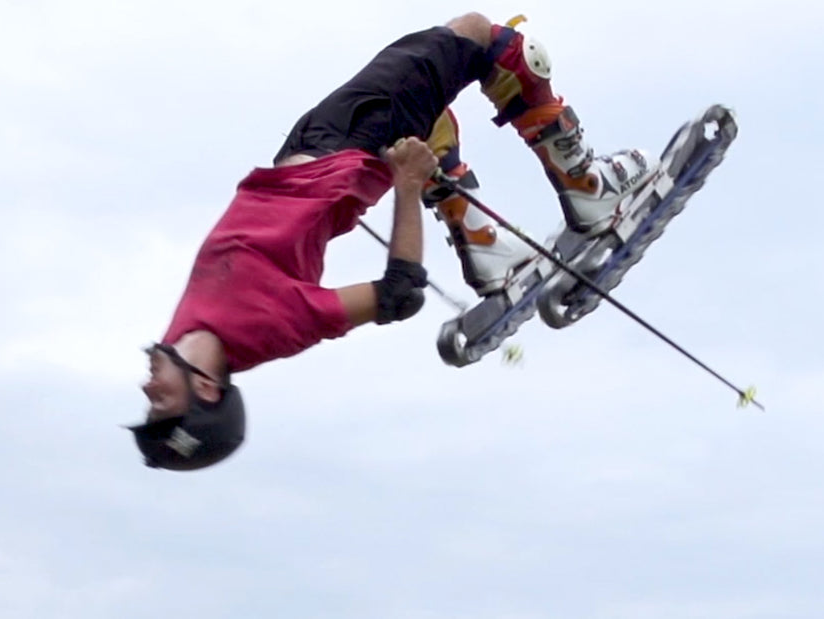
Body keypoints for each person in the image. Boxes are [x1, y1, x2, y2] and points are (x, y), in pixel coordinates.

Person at [130, 12, 656, 471]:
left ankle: (483, 243)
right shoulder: (272, 329)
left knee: (435, 124)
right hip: (353, 147)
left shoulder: (179, 340)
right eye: (161, 406)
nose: (148, 391)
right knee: (477, 37)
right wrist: (406, 186)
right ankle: (586, 186)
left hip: (305, 146)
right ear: (205, 389)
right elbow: (399, 296)